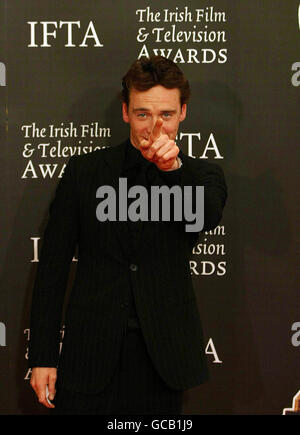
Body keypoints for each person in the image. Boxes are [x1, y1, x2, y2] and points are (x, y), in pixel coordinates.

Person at [28, 56, 227, 415]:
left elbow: (205, 218)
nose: (154, 127)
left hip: (163, 359)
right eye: (143, 114)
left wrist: (172, 170)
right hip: (89, 356)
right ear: (125, 112)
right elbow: (53, 266)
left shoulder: (202, 175)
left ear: (182, 112)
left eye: (166, 114)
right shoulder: (84, 172)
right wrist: (43, 355)